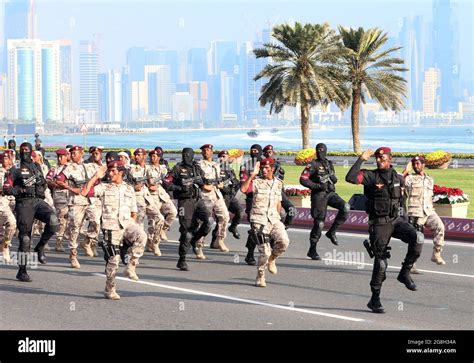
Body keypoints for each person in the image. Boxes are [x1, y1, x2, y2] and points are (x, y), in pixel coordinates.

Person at [345, 147, 423, 314]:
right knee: (381, 263)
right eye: (377, 158)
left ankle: (405, 272)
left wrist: (406, 222)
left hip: (396, 220)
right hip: (379, 224)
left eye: (383, 158)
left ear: (390, 159)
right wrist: (361, 159)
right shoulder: (371, 176)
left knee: (418, 238)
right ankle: (375, 299)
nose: (379, 160)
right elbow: (350, 177)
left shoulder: (398, 177)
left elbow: (401, 202)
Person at [80, 161, 147, 299]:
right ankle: (110, 288)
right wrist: (95, 176)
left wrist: (131, 226)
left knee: (142, 235)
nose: (110, 174)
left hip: (127, 223)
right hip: (111, 227)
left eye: (113, 171)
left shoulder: (129, 189)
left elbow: (134, 211)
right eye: (108, 171)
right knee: (113, 260)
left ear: (121, 172)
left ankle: (131, 266)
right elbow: (84, 192)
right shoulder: (104, 187)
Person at [3, 142, 59, 282]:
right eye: (22, 150)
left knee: (53, 221)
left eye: (26, 150)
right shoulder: (15, 169)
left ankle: (40, 247)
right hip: (24, 203)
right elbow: (6, 188)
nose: (24, 152)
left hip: (38, 201)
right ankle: (22, 271)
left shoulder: (37, 166)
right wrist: (20, 190)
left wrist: (40, 184)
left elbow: (44, 182)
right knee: (25, 238)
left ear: (31, 151)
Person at [240, 158, 289, 287]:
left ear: (272, 169)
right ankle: (260, 275)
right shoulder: (256, 182)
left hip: (274, 219)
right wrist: (252, 174)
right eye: (262, 168)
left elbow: (278, 201)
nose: (263, 170)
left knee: (284, 242)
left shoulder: (278, 183)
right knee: (264, 252)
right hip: (259, 220)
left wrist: (278, 216)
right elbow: (244, 190)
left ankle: (272, 259)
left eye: (266, 168)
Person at [299, 143, 350, 260]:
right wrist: (317, 186)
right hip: (319, 195)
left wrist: (332, 177)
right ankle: (312, 249)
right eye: (318, 150)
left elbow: (335, 179)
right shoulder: (312, 164)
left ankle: (332, 232)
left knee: (346, 207)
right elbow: (303, 179)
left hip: (330, 193)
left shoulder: (329, 164)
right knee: (319, 223)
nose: (320, 152)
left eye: (322, 150)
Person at [163, 148, 210, 271]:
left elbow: (205, 183)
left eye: (188, 154)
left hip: (198, 200)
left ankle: (195, 241)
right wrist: (179, 188)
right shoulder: (177, 168)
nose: (186, 156)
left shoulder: (197, 168)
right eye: (184, 154)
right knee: (187, 231)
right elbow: (167, 183)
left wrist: (202, 182)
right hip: (185, 201)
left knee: (208, 222)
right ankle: (182, 259)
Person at [55, 146, 101, 267]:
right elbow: (59, 180)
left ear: (82, 153)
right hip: (76, 201)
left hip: (91, 199)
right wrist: (71, 188)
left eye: (75, 153)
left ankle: (87, 241)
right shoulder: (68, 168)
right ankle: (73, 255)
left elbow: (99, 179)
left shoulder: (91, 166)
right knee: (75, 228)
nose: (73, 155)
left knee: (96, 221)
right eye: (71, 153)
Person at [403, 156, 446, 265]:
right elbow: (398, 179)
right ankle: (411, 263)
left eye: (417, 163)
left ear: (423, 165)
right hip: (416, 213)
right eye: (413, 164)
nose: (415, 166)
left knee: (440, 227)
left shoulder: (430, 179)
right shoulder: (409, 178)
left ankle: (436, 254)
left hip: (429, 211)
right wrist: (406, 170)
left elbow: (430, 196)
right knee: (417, 240)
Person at [197, 144, 230, 256]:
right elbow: (198, 179)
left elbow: (219, 178)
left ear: (212, 152)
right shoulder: (199, 165)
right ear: (202, 153)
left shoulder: (216, 165)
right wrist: (203, 186)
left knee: (225, 216)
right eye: (204, 150)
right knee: (205, 222)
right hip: (205, 195)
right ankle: (199, 246)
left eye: (208, 150)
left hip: (216, 194)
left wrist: (220, 183)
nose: (206, 152)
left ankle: (219, 239)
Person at [146, 149, 177, 255]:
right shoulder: (146, 168)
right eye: (151, 156)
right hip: (150, 196)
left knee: (173, 212)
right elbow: (148, 183)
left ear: (159, 157)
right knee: (154, 221)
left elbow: (169, 178)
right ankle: (153, 243)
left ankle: (164, 229)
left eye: (155, 156)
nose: (152, 158)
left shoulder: (163, 168)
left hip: (162, 194)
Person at [239, 144, 264, 265]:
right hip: (252, 199)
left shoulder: (266, 164)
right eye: (252, 151)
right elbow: (244, 187)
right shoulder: (246, 166)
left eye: (256, 151)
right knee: (255, 228)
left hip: (267, 199)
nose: (254, 153)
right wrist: (252, 176)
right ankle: (250, 253)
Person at [263, 144, 296, 228]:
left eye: (270, 152)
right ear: (264, 154)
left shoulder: (277, 164)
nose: (269, 154)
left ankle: (284, 228)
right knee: (277, 215)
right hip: (267, 192)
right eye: (267, 152)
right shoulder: (261, 165)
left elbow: (280, 179)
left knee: (292, 209)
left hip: (278, 191)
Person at [45, 148, 70, 252]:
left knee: (68, 220)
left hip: (71, 196)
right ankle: (57, 242)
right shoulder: (55, 168)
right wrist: (56, 184)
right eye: (58, 157)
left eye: (62, 156)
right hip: (60, 196)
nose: (60, 159)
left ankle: (61, 239)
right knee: (61, 219)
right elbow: (48, 179)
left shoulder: (72, 168)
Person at [215, 150, 242, 240]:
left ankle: (233, 227)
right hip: (222, 197)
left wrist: (236, 188)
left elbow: (235, 182)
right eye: (221, 157)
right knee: (222, 219)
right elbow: (218, 185)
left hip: (231, 196)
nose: (223, 158)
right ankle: (215, 240)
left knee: (240, 212)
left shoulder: (230, 169)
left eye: (225, 156)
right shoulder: (217, 169)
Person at [0, 152, 17, 263]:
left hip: (16, 201)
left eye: (10, 158)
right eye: (5, 158)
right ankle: (5, 246)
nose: (8, 160)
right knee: (11, 222)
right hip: (2, 201)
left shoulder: (16, 172)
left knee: (13, 227)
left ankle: (4, 244)